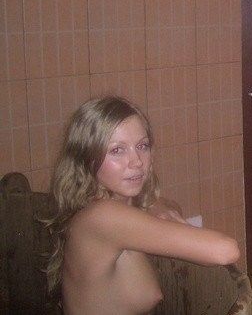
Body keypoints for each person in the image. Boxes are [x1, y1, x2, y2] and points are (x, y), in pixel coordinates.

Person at [45, 96, 240, 315]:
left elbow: (171, 207)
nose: (137, 161)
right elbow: (225, 250)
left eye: (142, 146)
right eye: (117, 150)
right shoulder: (103, 216)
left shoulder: (108, 205)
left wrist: (152, 205)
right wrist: (152, 208)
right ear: (87, 157)